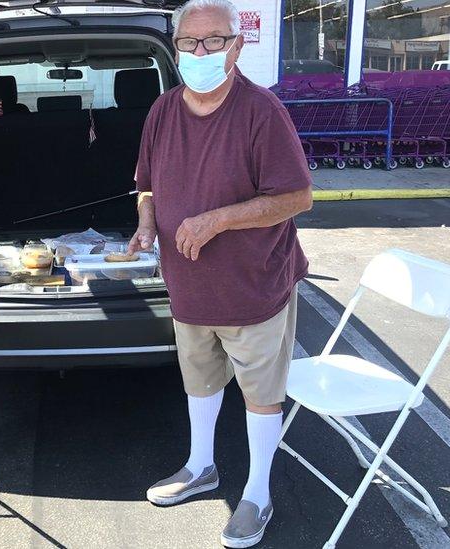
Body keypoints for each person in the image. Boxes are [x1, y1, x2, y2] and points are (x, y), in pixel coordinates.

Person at [126, 0, 313, 546]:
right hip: (189, 286)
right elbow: (148, 185)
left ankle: (257, 493)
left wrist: (217, 220)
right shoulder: (162, 111)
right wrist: (147, 225)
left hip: (253, 284)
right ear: (176, 46)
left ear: (236, 45)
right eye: (189, 42)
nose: (200, 52)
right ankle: (200, 467)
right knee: (200, 383)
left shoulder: (261, 111)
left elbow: (298, 196)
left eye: (213, 41)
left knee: (261, 394)